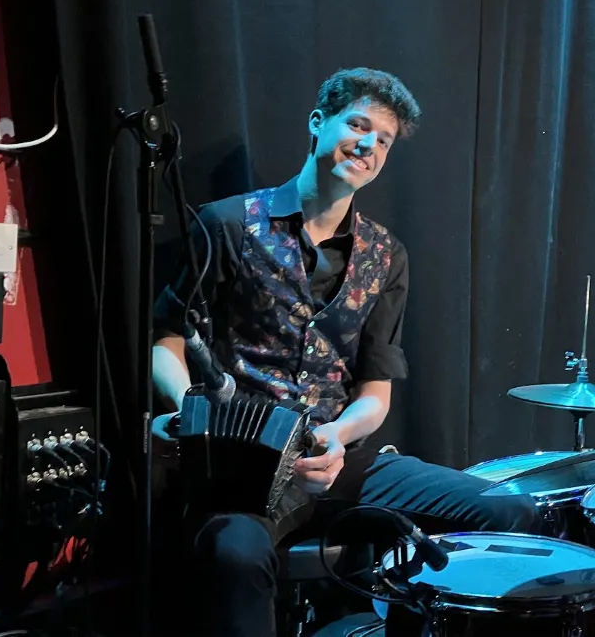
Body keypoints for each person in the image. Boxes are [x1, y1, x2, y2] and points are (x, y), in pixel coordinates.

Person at [151, 67, 540, 636]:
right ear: (318, 123)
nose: (368, 145)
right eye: (358, 125)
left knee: (512, 513)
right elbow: (167, 339)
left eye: (383, 140)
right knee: (233, 553)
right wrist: (192, 408)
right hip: (245, 462)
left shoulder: (386, 254)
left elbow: (374, 391)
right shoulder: (227, 224)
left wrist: (339, 436)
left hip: (341, 456)